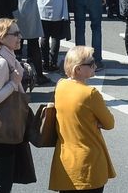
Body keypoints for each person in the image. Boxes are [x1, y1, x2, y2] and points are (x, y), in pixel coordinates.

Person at [49, 44, 115, 193]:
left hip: (65, 161)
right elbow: (109, 123)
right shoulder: (90, 93)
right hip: (88, 164)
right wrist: (97, 121)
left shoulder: (60, 85)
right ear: (78, 69)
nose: (95, 66)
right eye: (91, 64)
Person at [0, 18, 34, 192]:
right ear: (1, 37)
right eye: (15, 34)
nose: (20, 37)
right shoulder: (2, 62)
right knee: (0, 187)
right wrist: (14, 82)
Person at [9, 0, 46, 82]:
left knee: (16, 45)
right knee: (34, 44)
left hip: (15, 10)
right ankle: (40, 75)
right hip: (30, 10)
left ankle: (16, 75)